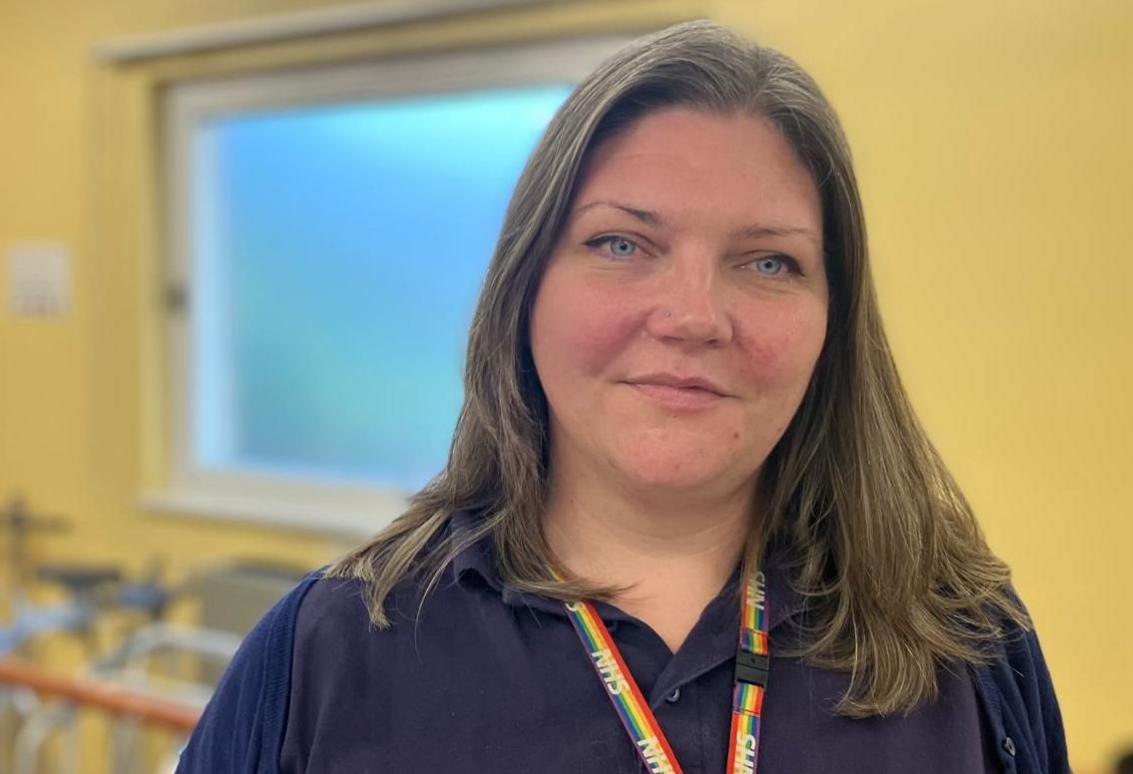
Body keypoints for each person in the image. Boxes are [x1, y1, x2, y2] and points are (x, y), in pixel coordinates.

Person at [177, 19, 1070, 774]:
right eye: (621, 245)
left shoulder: (966, 648)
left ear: (834, 321)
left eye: (768, 262)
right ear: (525, 285)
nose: (693, 316)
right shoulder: (327, 655)